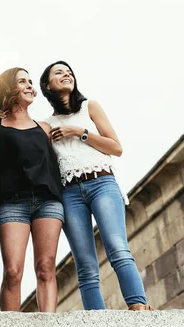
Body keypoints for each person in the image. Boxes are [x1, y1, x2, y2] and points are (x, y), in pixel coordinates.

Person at [39, 60, 153, 311]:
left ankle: (138, 306)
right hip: (69, 193)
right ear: (47, 85)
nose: (66, 74)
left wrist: (80, 132)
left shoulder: (90, 107)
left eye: (69, 71)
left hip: (102, 183)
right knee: (85, 263)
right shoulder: (45, 125)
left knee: (117, 246)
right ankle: (96, 319)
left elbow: (116, 148)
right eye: (59, 72)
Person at [0, 67, 64, 312]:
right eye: (22, 81)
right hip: (11, 203)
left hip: (48, 201)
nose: (30, 85)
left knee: (46, 267)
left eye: (31, 81)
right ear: (9, 88)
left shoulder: (45, 128)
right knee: (13, 271)